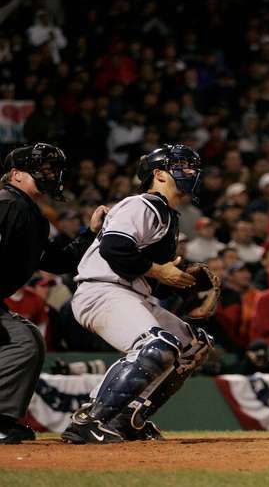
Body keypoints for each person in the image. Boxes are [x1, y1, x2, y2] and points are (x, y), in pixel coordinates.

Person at [60, 144, 214, 444]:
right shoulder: (141, 204)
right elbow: (114, 248)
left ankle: (126, 417)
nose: (191, 172)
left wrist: (184, 286)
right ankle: (89, 419)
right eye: (182, 166)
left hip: (129, 293)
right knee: (157, 345)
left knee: (194, 345)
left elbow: (147, 278)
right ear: (158, 174)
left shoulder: (169, 216)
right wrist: (160, 271)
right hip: (101, 289)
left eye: (193, 166)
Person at [0, 143, 107, 445]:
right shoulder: (7, 203)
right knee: (21, 341)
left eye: (52, 169)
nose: (50, 174)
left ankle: (5, 419)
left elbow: (59, 262)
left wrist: (90, 233)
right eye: (42, 169)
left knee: (26, 339)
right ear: (16, 174)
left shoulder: (29, 212)